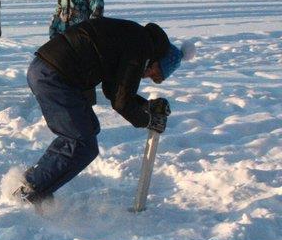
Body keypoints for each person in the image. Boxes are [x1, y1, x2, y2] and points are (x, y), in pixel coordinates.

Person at [16, 17, 195, 204]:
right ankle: (31, 191)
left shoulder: (136, 38)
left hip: (48, 69)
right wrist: (147, 120)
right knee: (83, 143)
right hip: (55, 75)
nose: (148, 76)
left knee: (85, 131)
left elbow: (113, 90)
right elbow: (121, 102)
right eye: (154, 73)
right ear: (157, 60)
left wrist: (146, 107)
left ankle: (34, 182)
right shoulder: (140, 48)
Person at [49, 0, 104, 104]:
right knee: (64, 65)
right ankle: (68, 98)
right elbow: (59, 6)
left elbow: (98, 7)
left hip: (81, 33)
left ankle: (88, 101)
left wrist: (91, 30)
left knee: (84, 67)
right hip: (62, 32)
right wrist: (54, 26)